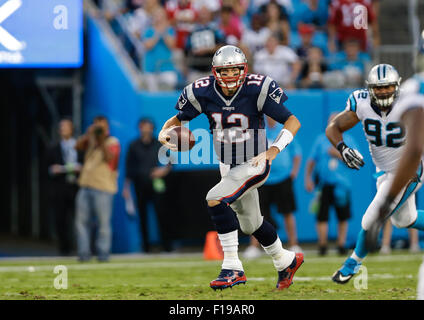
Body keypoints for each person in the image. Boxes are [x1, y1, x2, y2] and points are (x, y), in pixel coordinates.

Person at [158, 45, 304, 290]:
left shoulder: (257, 88)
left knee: (215, 198)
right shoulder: (201, 91)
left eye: (234, 70)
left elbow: (293, 121)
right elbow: (177, 120)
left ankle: (232, 267)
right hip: (227, 164)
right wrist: (164, 133)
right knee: (251, 224)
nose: (230, 76)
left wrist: (273, 150)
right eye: (224, 72)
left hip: (254, 161)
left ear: (243, 69)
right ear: (215, 72)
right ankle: (286, 260)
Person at [326, 64, 424, 284]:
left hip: (411, 168)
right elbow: (333, 127)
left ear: (396, 86)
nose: (383, 92)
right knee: (405, 219)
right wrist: (342, 148)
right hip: (384, 170)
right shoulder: (360, 102)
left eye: (388, 87)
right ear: (369, 88)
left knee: (371, 217)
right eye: (378, 88)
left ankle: (350, 265)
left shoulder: (409, 100)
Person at [244, 115, 303, 259]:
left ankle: (294, 243)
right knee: (258, 214)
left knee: (287, 212)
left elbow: (297, 153)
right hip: (263, 179)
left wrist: (293, 172)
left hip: (283, 178)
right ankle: (254, 246)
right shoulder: (259, 133)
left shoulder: (284, 132)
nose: (271, 119)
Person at [305, 113, 356, 256]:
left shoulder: (349, 139)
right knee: (322, 216)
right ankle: (322, 245)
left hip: (342, 185)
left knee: (342, 216)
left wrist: (338, 154)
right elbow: (311, 160)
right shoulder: (321, 140)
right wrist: (308, 178)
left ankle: (341, 244)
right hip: (324, 183)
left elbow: (355, 162)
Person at [122, 118, 173, 253]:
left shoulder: (159, 144)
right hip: (140, 184)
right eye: (143, 127)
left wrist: (163, 171)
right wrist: (126, 187)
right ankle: (146, 248)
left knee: (162, 214)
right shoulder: (133, 145)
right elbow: (129, 168)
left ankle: (166, 246)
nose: (146, 129)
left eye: (149, 127)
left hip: (157, 184)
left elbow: (171, 161)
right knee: (142, 216)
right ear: (139, 128)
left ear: (152, 128)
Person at [74, 116, 121, 262]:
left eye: (101, 126)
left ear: (107, 127)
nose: (99, 128)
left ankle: (103, 254)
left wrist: (100, 140)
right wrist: (89, 134)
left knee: (103, 223)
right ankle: (83, 253)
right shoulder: (91, 140)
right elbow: (77, 147)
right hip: (85, 185)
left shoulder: (113, 142)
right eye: (96, 125)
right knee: (81, 222)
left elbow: (109, 158)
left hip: (103, 187)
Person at [45, 118, 82, 256]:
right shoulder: (53, 147)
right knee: (61, 220)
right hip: (59, 189)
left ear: (72, 129)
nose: (63, 129)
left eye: (66, 127)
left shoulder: (80, 146)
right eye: (61, 127)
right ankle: (64, 249)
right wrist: (55, 170)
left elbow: (84, 164)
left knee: (80, 219)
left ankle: (82, 248)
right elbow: (47, 168)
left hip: (76, 187)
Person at [142, 7, 178, 92]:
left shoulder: (170, 30)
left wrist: (164, 31)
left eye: (161, 16)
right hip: (150, 68)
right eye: (157, 16)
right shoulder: (148, 31)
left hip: (167, 67)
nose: (159, 18)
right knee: (152, 94)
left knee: (168, 92)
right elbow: (148, 45)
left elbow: (171, 45)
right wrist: (158, 33)